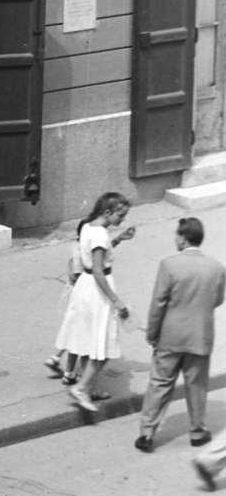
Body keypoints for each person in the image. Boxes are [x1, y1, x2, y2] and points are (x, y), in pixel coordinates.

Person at [136, 216, 225, 452]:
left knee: (160, 383)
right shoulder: (216, 267)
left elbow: (158, 303)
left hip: (170, 336)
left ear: (184, 239)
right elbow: (217, 299)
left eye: (177, 235)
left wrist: (152, 333)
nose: (175, 239)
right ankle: (197, 432)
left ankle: (147, 434)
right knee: (196, 385)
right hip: (200, 337)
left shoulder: (169, 265)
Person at [54, 192, 134, 414]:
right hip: (98, 290)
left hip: (86, 287)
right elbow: (99, 271)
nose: (122, 220)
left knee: (90, 340)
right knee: (102, 345)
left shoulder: (89, 226)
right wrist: (116, 300)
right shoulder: (99, 234)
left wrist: (118, 240)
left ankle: (87, 387)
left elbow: (95, 258)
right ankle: (81, 388)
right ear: (107, 212)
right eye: (120, 215)